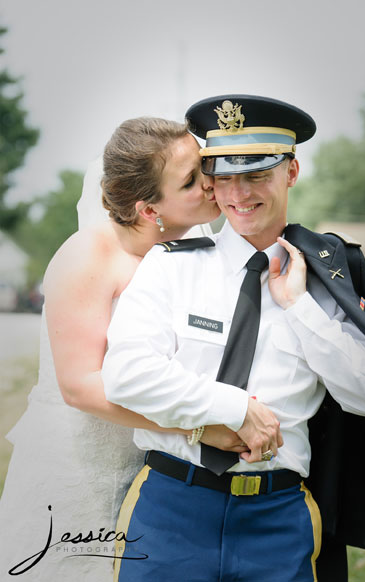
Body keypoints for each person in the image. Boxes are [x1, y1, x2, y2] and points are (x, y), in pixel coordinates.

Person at [102, 95, 365, 582]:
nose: (239, 193)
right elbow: (125, 375)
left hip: (278, 519)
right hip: (170, 510)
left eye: (257, 173)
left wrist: (300, 306)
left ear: (292, 172)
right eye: (223, 176)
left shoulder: (325, 278)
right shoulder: (172, 264)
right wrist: (232, 408)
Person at [0, 117, 226, 579]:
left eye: (205, 166)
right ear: (148, 210)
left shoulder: (198, 250)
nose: (210, 182)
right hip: (84, 461)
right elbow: (81, 388)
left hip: (156, 473)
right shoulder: (88, 257)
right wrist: (198, 429)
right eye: (189, 180)